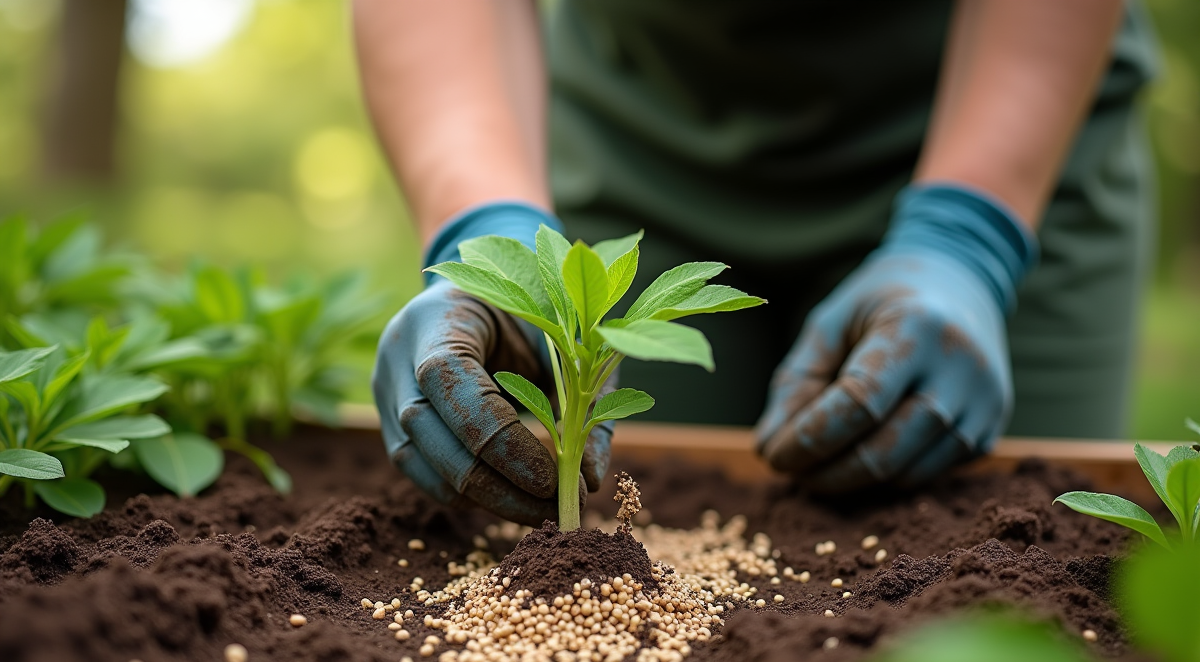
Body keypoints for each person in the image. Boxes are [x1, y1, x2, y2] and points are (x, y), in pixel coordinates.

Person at [357, 0, 1157, 525]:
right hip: (641, 137)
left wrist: (969, 235)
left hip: (1013, 108)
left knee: (1006, 536)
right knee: (639, 507)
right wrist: (484, 229)